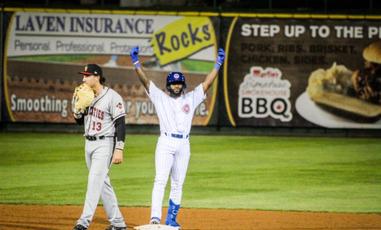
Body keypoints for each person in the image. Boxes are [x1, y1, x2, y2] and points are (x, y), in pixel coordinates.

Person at [129, 47, 225, 227]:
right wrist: (136, 63)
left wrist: (217, 65)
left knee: (177, 183)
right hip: (165, 142)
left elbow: (207, 84)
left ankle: (171, 219)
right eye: (173, 83)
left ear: (183, 85)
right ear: (168, 85)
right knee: (160, 180)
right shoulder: (159, 97)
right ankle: (155, 218)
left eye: (179, 83)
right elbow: (145, 81)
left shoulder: (191, 98)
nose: (176, 85)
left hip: (184, 144)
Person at [73, 64, 127, 230]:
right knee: (102, 183)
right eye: (83, 75)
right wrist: (78, 110)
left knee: (94, 181)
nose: (84, 79)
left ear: (97, 77)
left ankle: (83, 222)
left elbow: (120, 123)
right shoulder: (82, 93)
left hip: (106, 144)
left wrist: (119, 148)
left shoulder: (112, 97)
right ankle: (118, 223)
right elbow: (79, 120)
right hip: (88, 143)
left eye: (87, 75)